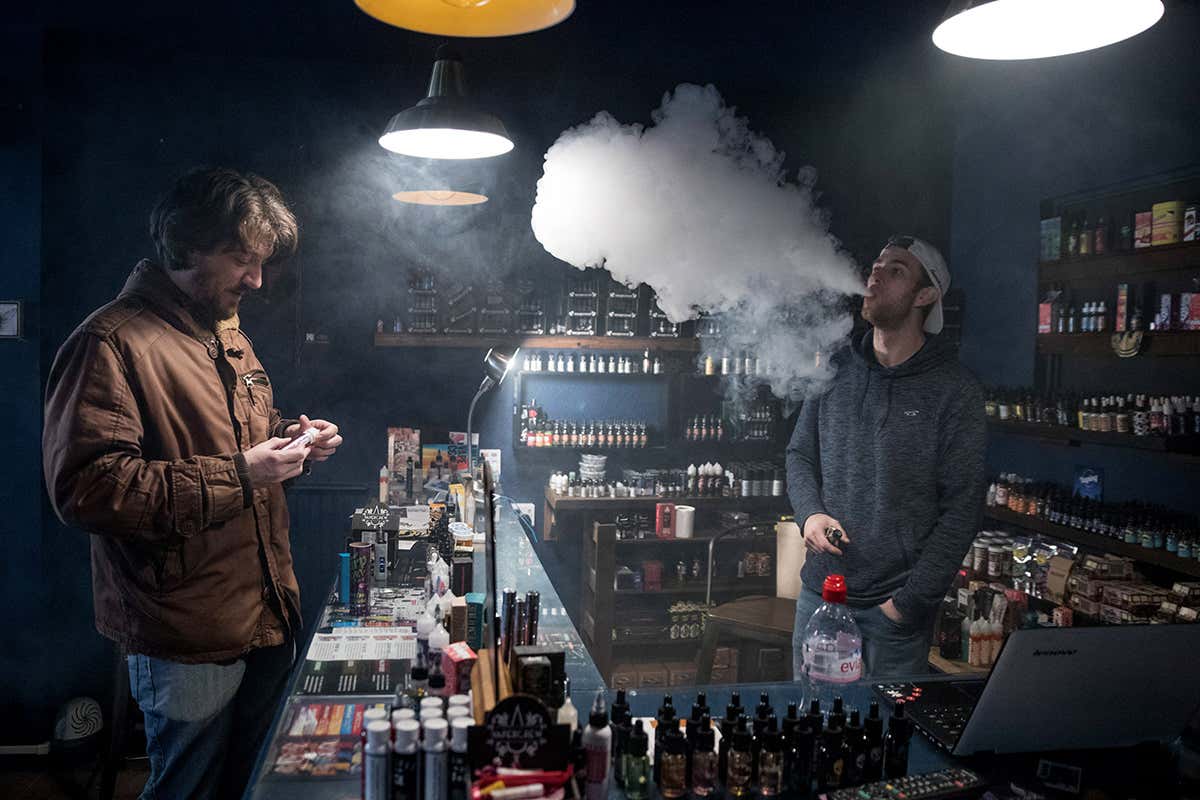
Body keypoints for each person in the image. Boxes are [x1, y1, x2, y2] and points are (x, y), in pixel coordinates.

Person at [42, 167, 344, 799]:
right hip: (185, 632)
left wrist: (296, 444)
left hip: (264, 613)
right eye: (241, 259)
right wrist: (245, 472)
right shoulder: (110, 342)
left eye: (261, 262)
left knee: (247, 786)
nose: (256, 281)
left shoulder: (227, 334)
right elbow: (89, 490)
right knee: (188, 791)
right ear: (185, 246)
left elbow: (239, 447)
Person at [787, 235, 986, 678]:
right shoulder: (835, 371)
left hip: (892, 615)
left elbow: (962, 510)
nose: (876, 273)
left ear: (926, 295)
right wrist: (810, 514)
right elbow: (800, 454)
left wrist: (907, 605)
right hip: (820, 596)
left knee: (880, 742)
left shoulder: (955, 392)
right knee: (806, 726)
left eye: (896, 269)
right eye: (875, 265)